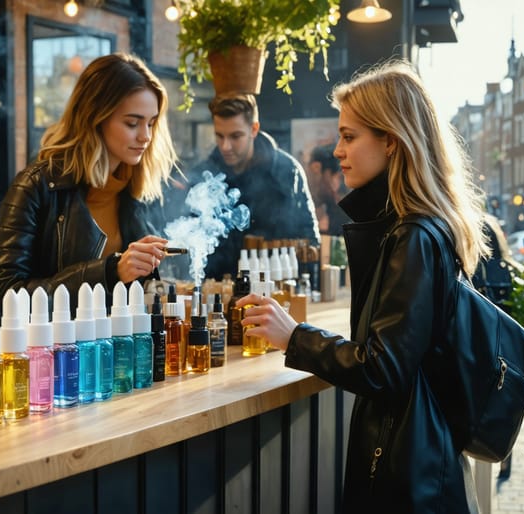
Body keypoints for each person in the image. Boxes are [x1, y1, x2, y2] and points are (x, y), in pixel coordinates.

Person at [237, 61, 489, 512]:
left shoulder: (412, 236)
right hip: (419, 466)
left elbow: (382, 368)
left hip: (406, 477)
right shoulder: (413, 229)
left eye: (349, 136)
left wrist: (294, 336)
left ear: (391, 140)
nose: (336, 150)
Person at [0, 53, 178, 308]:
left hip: (122, 343)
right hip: (55, 346)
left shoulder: (142, 192)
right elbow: (3, 294)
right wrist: (109, 272)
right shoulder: (37, 186)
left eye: (152, 124)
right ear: (95, 118)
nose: (146, 136)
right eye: (132, 123)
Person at [174, 92, 319, 280]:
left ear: (254, 129)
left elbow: (309, 240)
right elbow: (188, 242)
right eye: (220, 136)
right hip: (218, 291)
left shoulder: (287, 171)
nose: (226, 146)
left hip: (276, 290)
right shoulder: (203, 178)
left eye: (235, 136)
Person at [307, 143, 351, 236]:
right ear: (316, 168)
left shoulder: (339, 214)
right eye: (337, 177)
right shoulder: (294, 205)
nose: (336, 186)